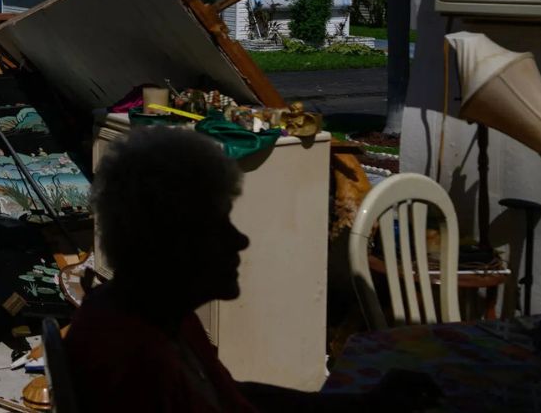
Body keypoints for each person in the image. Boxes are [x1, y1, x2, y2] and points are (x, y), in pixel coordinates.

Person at [64, 127, 439, 412]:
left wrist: (360, 403)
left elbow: (232, 395)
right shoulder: (136, 361)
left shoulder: (159, 313)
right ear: (172, 242)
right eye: (220, 225)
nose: (240, 241)